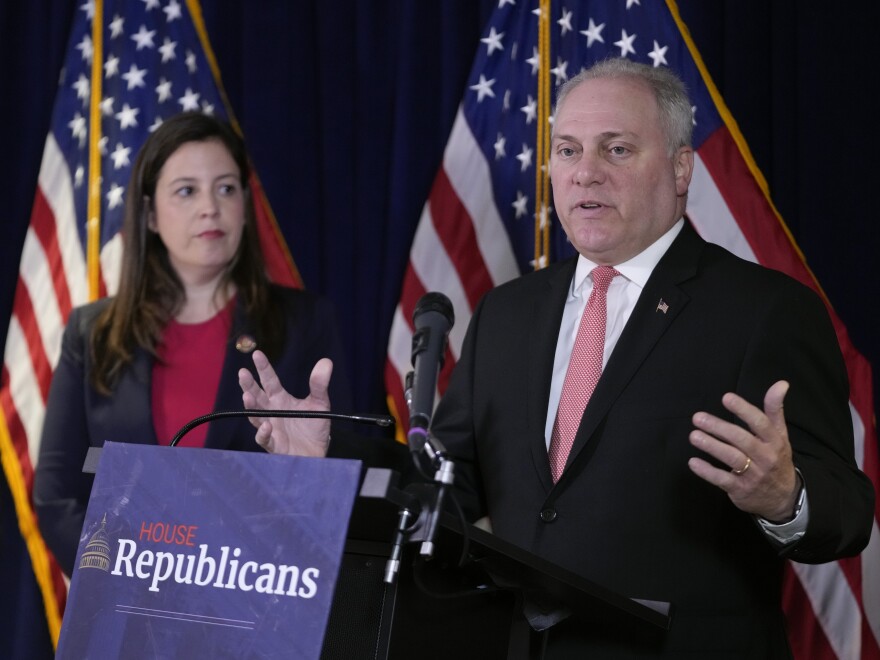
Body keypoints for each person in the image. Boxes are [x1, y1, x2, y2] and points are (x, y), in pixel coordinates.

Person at [238, 59, 874, 658]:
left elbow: (847, 516)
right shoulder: (506, 315)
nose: (585, 172)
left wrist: (786, 496)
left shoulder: (764, 311)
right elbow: (445, 491)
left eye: (616, 149)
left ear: (682, 170)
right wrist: (323, 462)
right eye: (568, 150)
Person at [34, 112, 352, 577]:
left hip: (259, 603)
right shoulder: (93, 332)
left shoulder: (305, 323)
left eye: (226, 188)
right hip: (125, 611)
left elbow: (347, 477)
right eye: (187, 190)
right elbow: (57, 495)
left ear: (245, 205)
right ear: (150, 216)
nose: (211, 207)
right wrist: (131, 578)